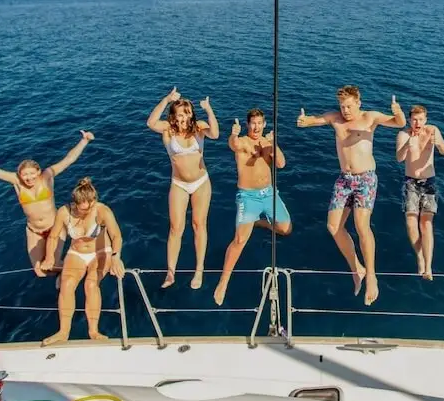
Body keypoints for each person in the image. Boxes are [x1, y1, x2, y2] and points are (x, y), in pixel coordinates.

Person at [297, 85, 406, 306]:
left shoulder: (370, 118)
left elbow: (399, 123)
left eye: (348, 106)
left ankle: (372, 277)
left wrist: (398, 111)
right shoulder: (335, 119)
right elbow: (315, 120)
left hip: (365, 179)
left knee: (361, 226)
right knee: (333, 227)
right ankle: (357, 269)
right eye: (342, 106)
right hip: (344, 179)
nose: (345, 110)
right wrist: (304, 120)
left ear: (358, 102)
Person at [0, 131, 94, 275]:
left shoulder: (47, 176)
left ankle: (77, 270)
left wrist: (84, 141)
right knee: (40, 272)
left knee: (52, 264)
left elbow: (68, 160)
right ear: (20, 175)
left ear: (38, 171)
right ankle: (68, 271)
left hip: (55, 227)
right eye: (25, 175)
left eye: (32, 173)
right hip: (34, 231)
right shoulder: (16, 182)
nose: (29, 178)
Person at [214, 109, 292, 305]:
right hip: (248, 197)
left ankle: (260, 223)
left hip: (269, 194)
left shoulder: (267, 143)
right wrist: (233, 134)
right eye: (253, 123)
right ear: (248, 125)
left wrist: (273, 143)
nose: (256, 127)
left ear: (264, 124)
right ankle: (224, 281)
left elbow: (281, 164)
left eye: (259, 123)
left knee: (285, 229)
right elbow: (233, 145)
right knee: (240, 240)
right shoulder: (242, 143)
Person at [147, 87, 220, 290]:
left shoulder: (199, 128)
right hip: (178, 184)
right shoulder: (167, 130)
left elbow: (215, 134)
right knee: (175, 228)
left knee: (198, 225)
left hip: (201, 183)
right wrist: (167, 98)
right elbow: (150, 122)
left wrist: (208, 109)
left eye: (186, 113)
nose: (183, 118)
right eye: (179, 114)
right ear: (173, 115)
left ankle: (199, 270)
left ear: (191, 114)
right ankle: (171, 272)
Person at [40, 177, 125, 346]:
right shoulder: (64, 212)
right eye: (82, 209)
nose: (87, 211)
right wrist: (49, 257)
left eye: (90, 207)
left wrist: (116, 257)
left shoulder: (103, 211)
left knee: (91, 284)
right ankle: (63, 332)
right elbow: (54, 236)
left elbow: (116, 236)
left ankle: (93, 330)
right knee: (67, 283)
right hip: (77, 253)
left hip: (101, 251)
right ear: (75, 203)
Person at [395, 105, 444, 280]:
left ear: (426, 120)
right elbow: (399, 158)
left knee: (426, 225)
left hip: (429, 183)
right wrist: (407, 147)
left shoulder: (432, 131)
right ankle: (419, 257)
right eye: (414, 119)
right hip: (410, 182)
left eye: (420, 119)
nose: (417, 123)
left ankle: (428, 266)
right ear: (410, 120)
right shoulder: (403, 135)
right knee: (411, 224)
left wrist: (439, 143)